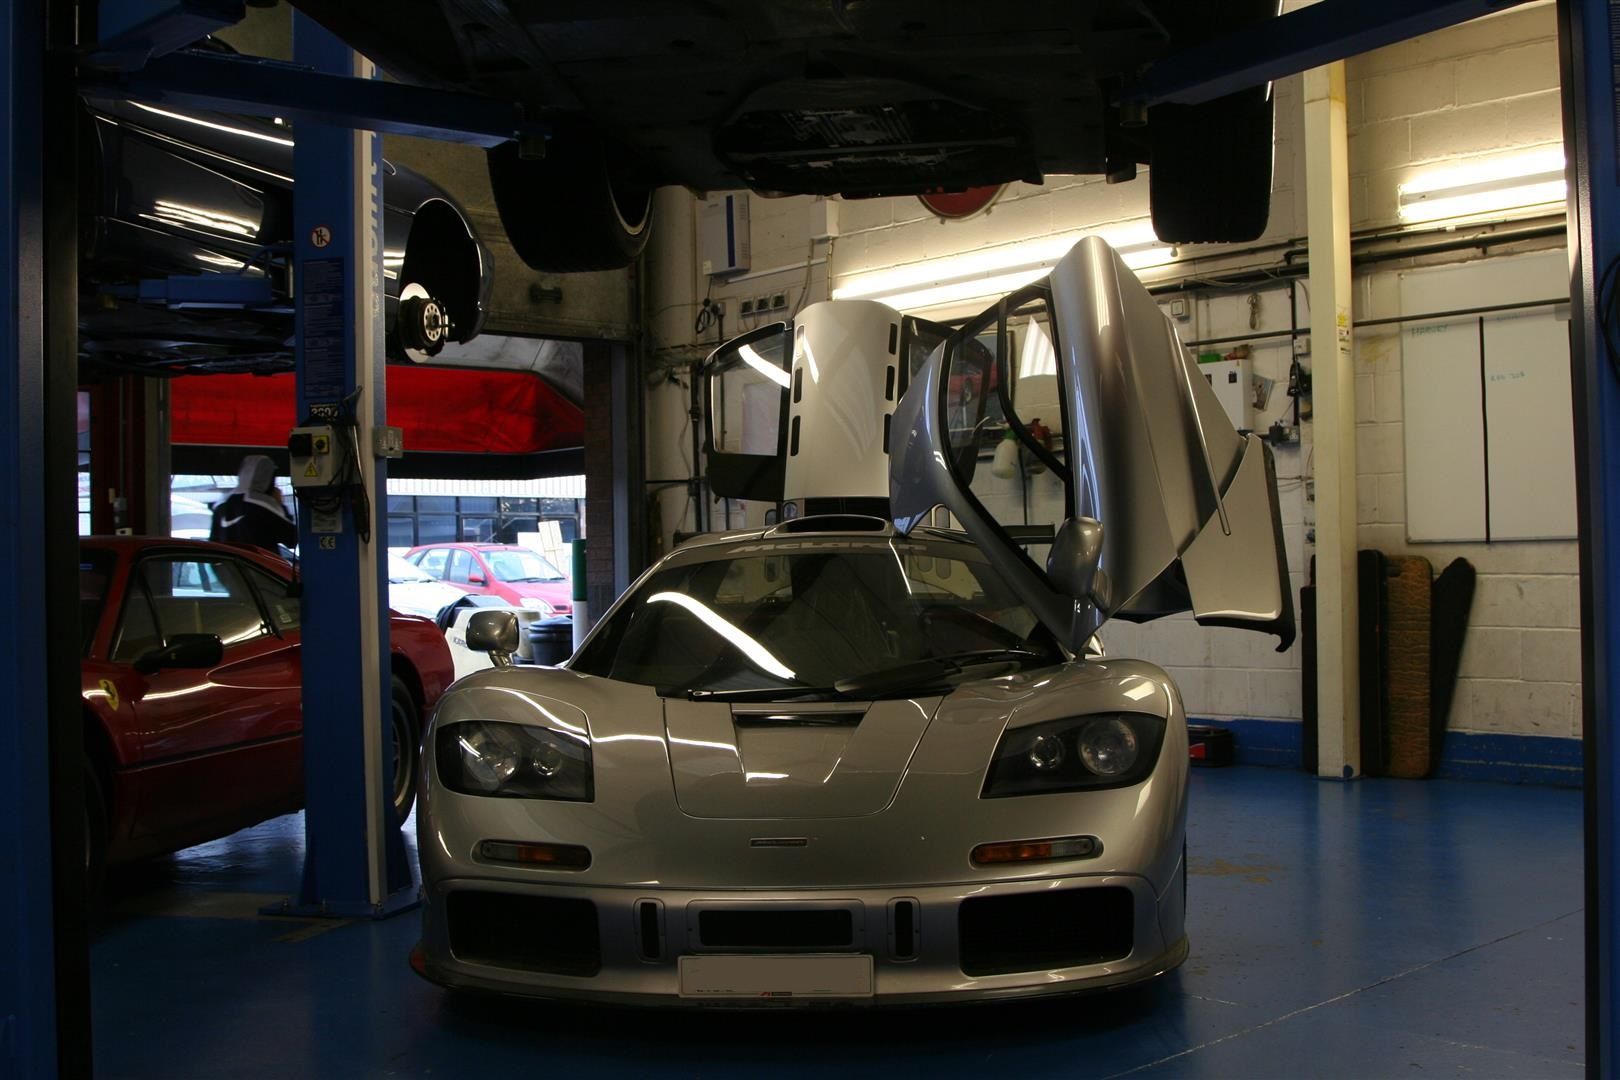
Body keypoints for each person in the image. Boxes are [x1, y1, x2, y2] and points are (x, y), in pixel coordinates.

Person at [210, 455, 297, 551]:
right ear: (267, 478)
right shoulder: (264, 504)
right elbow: (292, 539)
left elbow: (213, 543)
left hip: (228, 560)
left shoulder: (220, 504)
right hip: (259, 560)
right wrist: (279, 504)